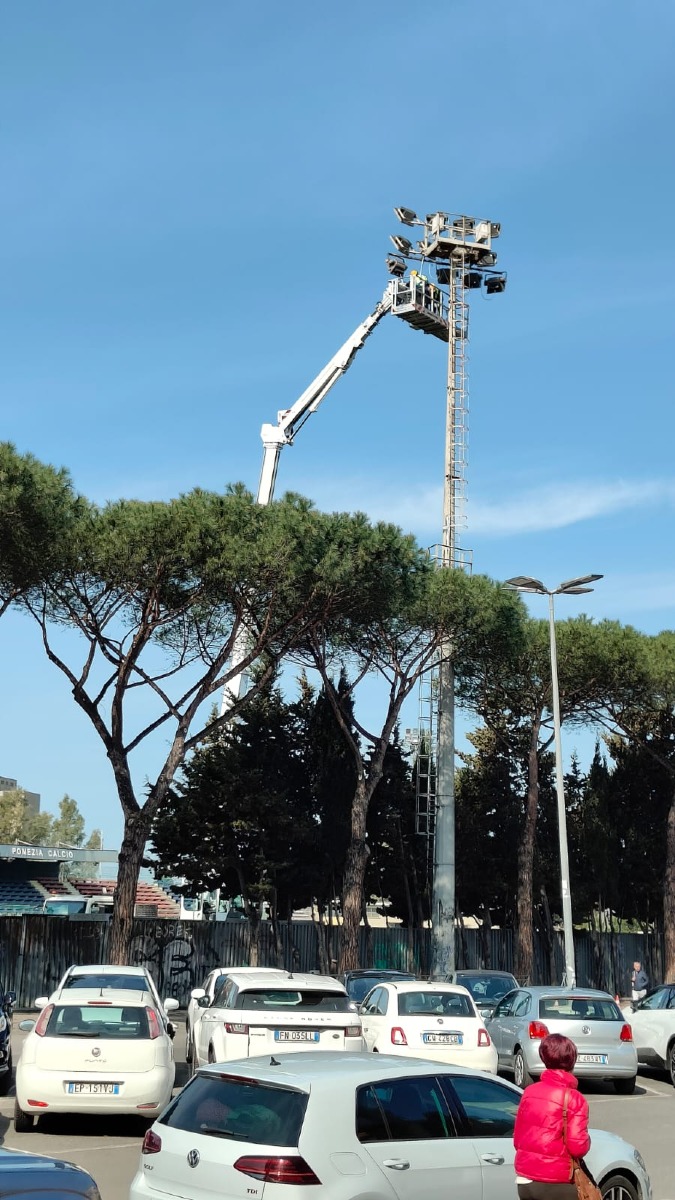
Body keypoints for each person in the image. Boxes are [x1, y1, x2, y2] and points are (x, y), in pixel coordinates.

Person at [513, 1033, 591, 1200]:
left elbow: (518, 1140)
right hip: (556, 1180)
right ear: (572, 1060)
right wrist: (587, 1140)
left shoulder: (529, 1092)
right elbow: (578, 1147)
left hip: (525, 1178)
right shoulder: (574, 1098)